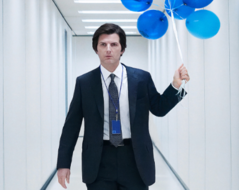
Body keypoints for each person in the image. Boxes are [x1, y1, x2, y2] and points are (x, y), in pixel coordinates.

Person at [56, 23, 190, 190]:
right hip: (99, 160)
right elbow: (71, 126)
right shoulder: (84, 83)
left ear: (123, 49)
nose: (108, 49)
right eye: (103, 44)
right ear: (96, 49)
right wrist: (63, 164)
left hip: (135, 158)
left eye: (114, 44)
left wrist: (175, 85)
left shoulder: (141, 78)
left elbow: (159, 108)